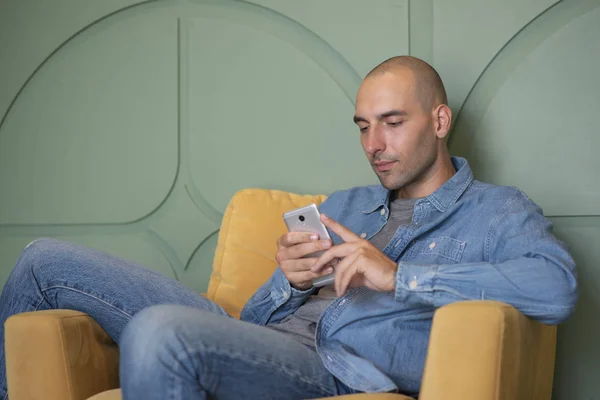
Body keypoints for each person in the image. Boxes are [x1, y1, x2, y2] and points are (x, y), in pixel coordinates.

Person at [0, 56, 578, 400]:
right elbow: (252, 321)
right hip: (255, 338)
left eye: (392, 123)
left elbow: (556, 288)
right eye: (362, 127)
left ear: (440, 120)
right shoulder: (346, 203)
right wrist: (291, 281)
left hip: (329, 365)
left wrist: (400, 278)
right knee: (41, 260)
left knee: (161, 331)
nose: (374, 145)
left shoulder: (496, 210)